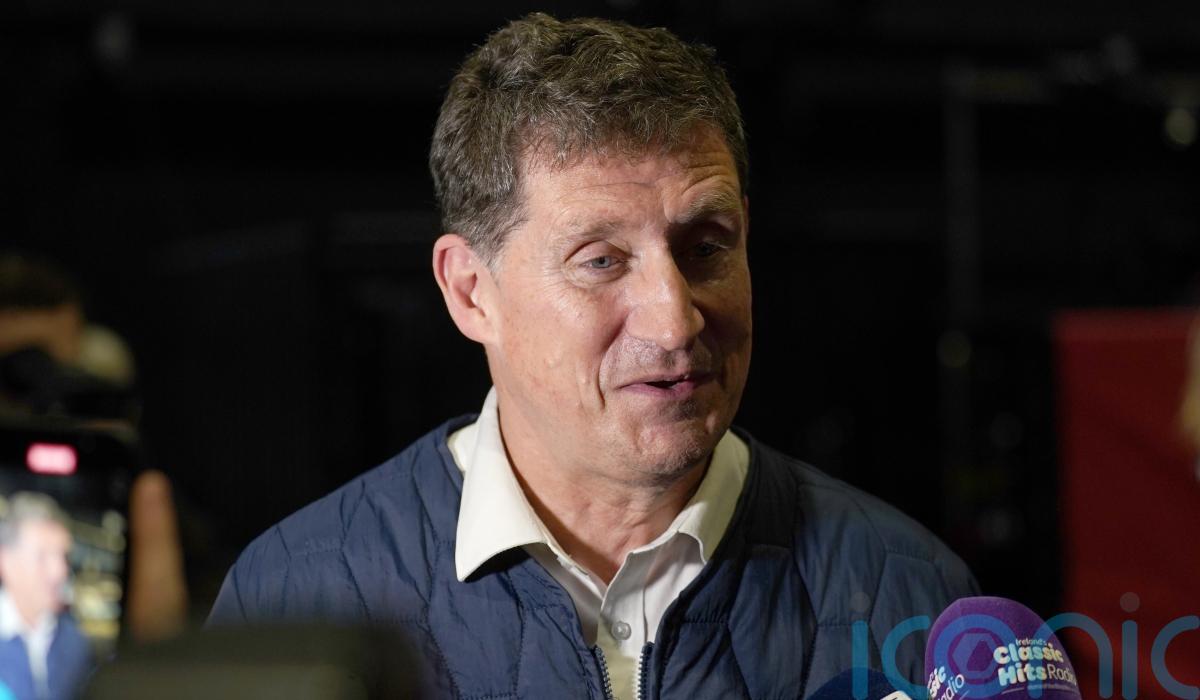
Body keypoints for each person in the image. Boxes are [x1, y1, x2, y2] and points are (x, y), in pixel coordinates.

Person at [208, 13, 978, 698]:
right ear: (472, 292)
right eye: (602, 261)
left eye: (707, 247)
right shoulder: (294, 599)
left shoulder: (915, 602)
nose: (674, 322)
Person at [0, 493, 89, 700]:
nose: (60, 571)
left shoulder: (75, 644)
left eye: (63, 556)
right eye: (42, 556)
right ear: (5, 561)